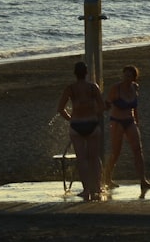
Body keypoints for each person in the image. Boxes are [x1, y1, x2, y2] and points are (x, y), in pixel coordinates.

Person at [57, 62, 106, 200]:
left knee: (82, 159)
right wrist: (93, 113)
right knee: (94, 158)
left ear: (75, 73)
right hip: (91, 123)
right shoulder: (92, 87)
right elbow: (102, 107)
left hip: (76, 125)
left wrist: (70, 119)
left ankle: (86, 189)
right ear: (86, 73)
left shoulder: (70, 88)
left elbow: (60, 109)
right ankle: (96, 187)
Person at [102, 65, 150, 196]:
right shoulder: (116, 88)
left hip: (130, 121)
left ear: (134, 77)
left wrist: (137, 121)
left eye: (129, 76)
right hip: (117, 121)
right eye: (125, 75)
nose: (126, 78)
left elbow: (135, 107)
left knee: (137, 149)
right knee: (116, 151)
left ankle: (143, 179)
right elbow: (107, 103)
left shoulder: (134, 87)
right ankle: (107, 177)